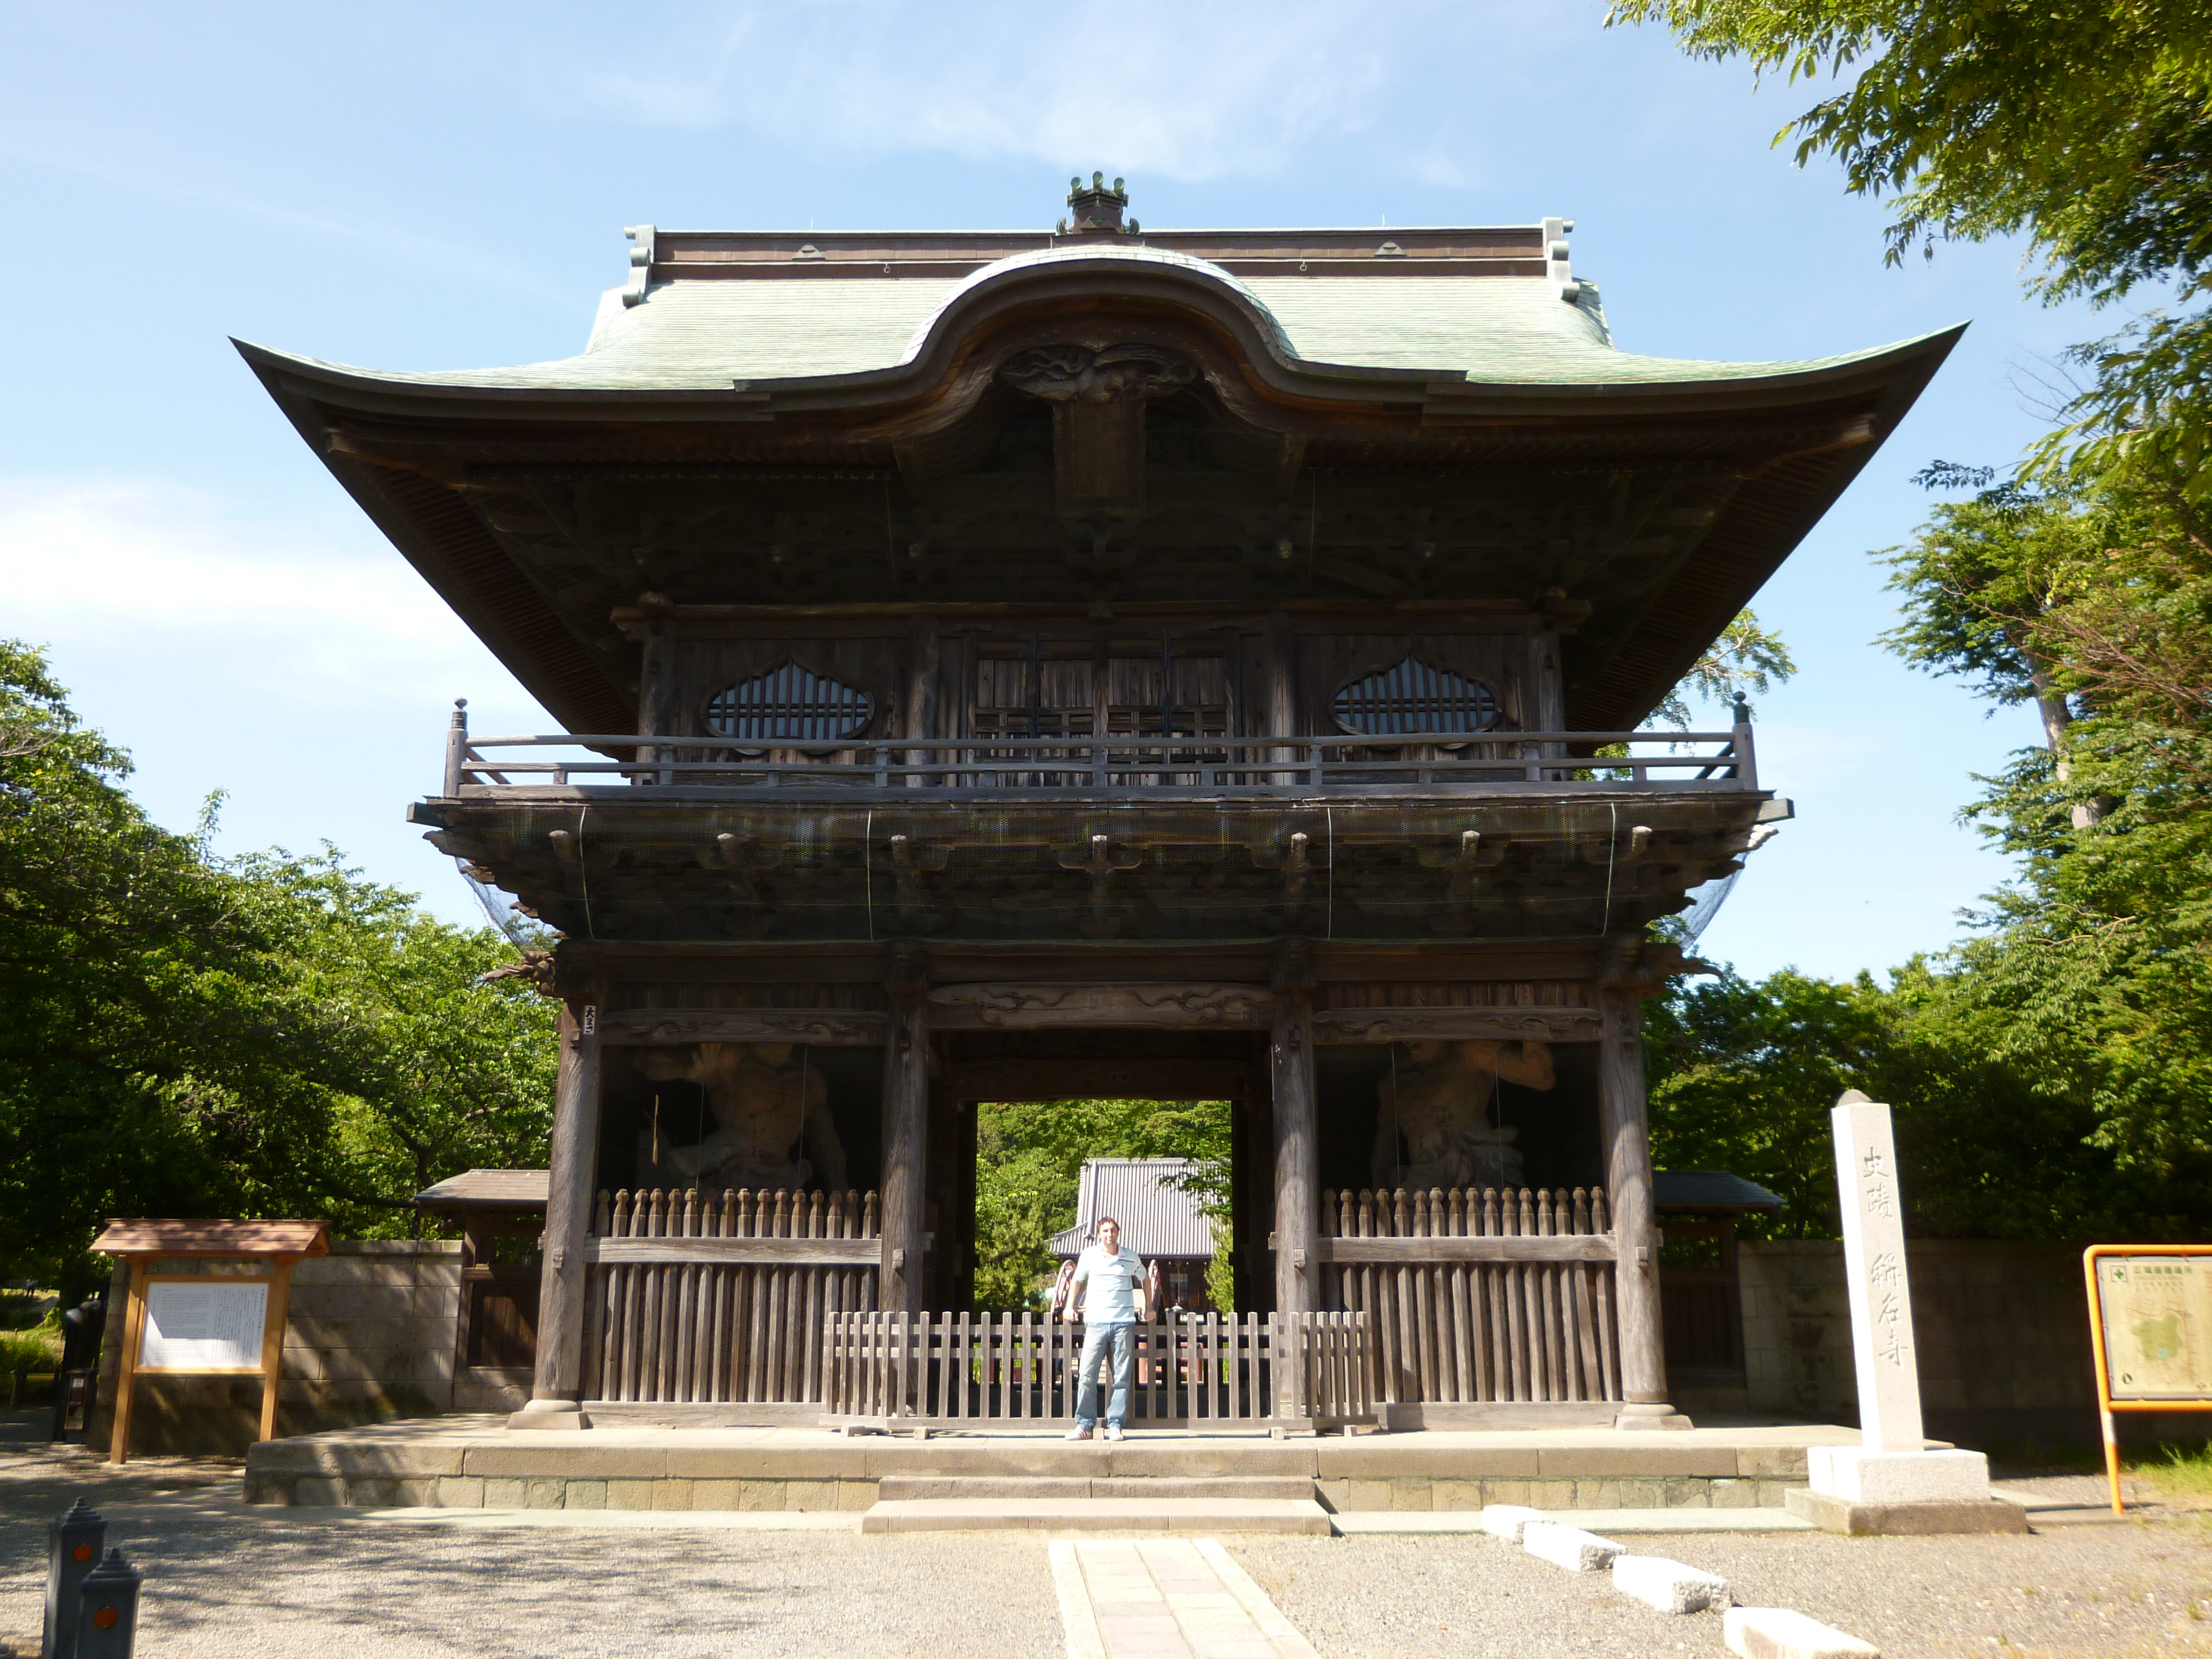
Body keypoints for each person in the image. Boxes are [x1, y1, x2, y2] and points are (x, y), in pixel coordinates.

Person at [1062, 1217, 1148, 1442]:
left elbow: (1146, 1278)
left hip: (1123, 1322)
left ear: (1119, 1233)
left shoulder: (1130, 1256)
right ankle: (1084, 1425)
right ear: (1099, 1234)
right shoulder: (1089, 1255)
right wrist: (1069, 1306)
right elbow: (1077, 1281)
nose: (1110, 1234)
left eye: (1113, 1230)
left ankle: (1115, 1425)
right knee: (1087, 1375)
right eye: (1106, 1231)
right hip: (1096, 1322)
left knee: (1122, 1377)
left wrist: (1149, 1307)